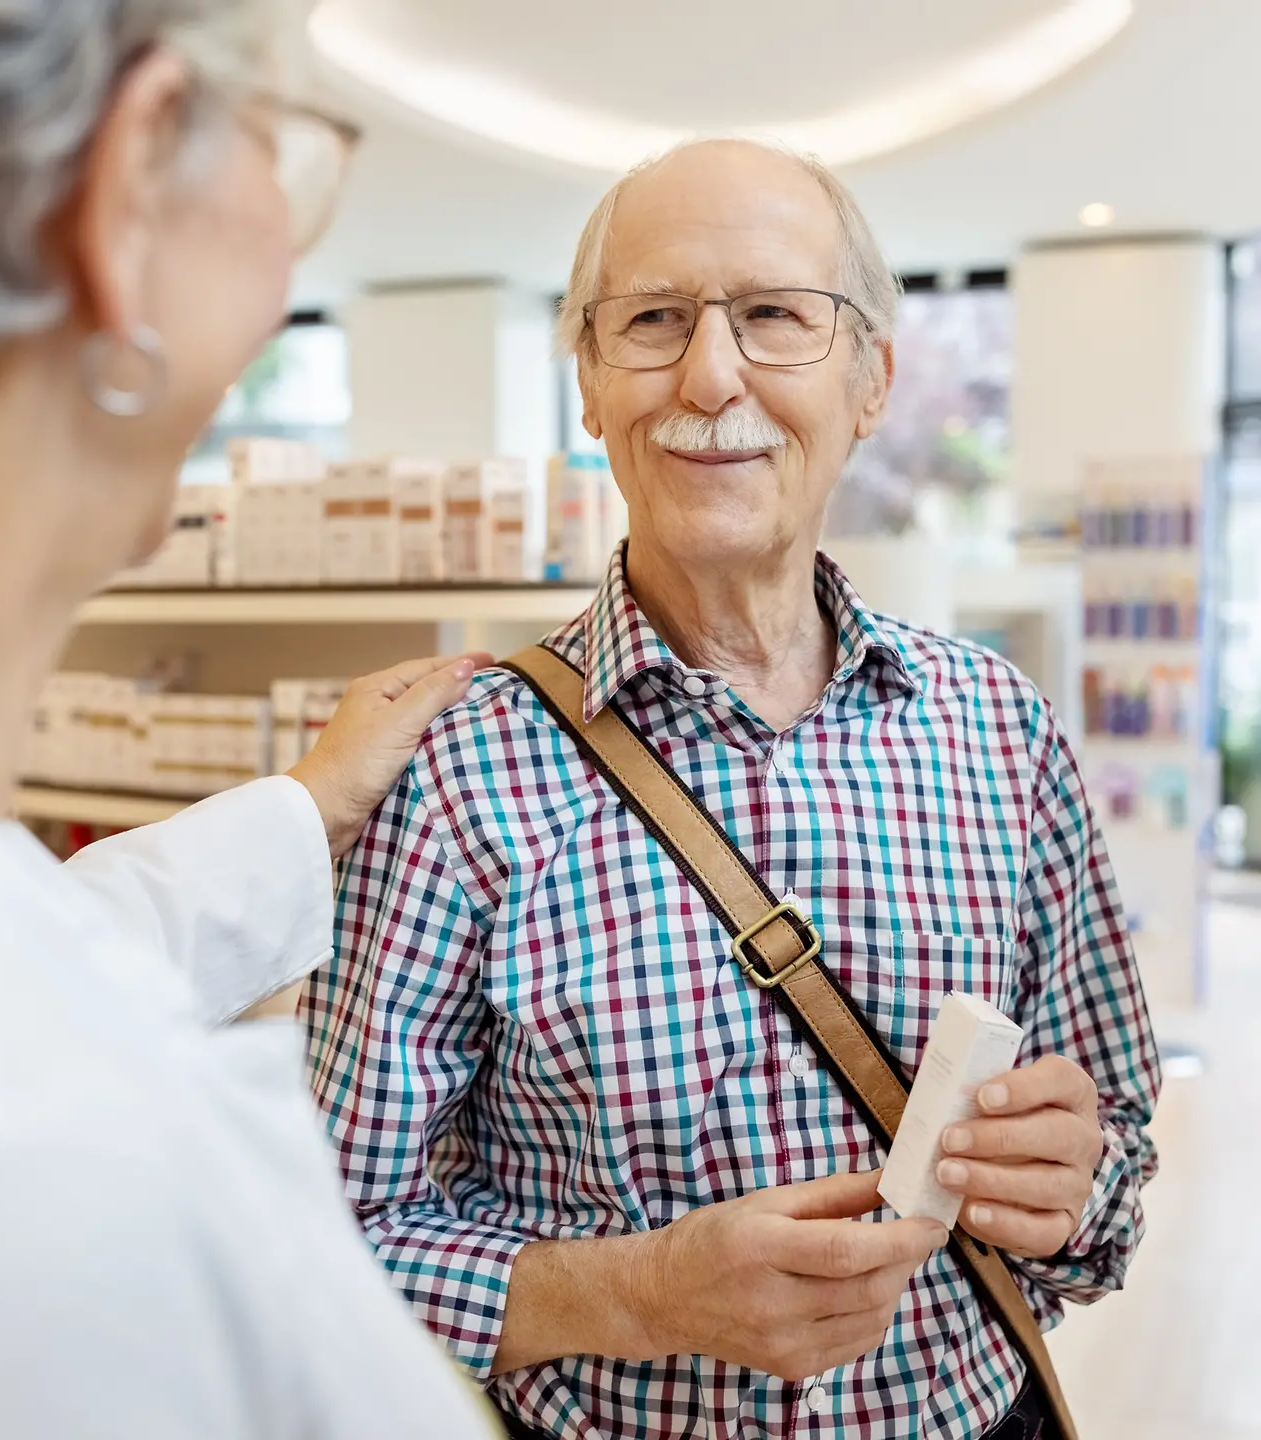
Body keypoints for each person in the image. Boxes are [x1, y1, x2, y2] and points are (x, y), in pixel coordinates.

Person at [304, 138, 1163, 1439]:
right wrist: (636, 1296)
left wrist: (1071, 1192)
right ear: (588, 382)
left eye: (774, 316)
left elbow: (1113, 1161)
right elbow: (329, 1237)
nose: (712, 375)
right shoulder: (454, 769)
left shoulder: (1000, 731)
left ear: (872, 378)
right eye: (652, 320)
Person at [0, 2, 498, 1435]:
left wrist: (298, 808)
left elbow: (31, 943)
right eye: (285, 161)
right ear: (128, 187)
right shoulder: (18, 1159)